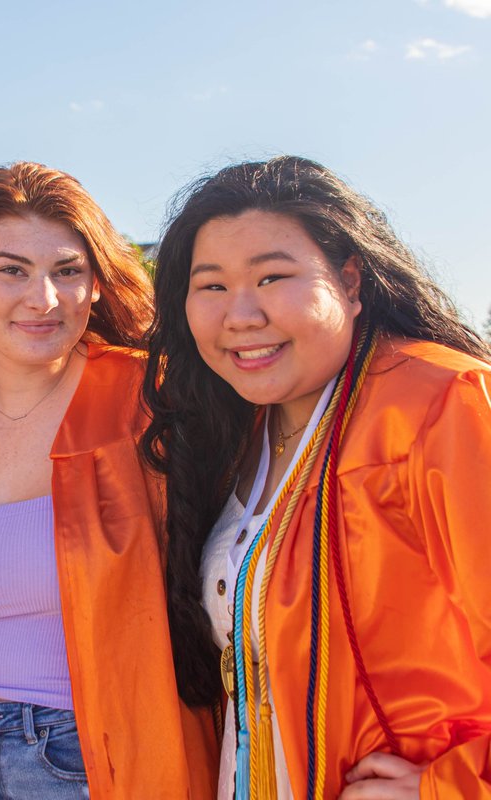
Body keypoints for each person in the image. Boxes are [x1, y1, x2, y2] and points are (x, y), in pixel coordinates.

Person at [141, 155, 491, 799]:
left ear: (351, 283)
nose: (240, 315)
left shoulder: (440, 404)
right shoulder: (238, 433)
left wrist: (453, 788)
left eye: (273, 277)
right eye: (211, 286)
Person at [0, 162, 216, 799]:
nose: (45, 299)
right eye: (12, 270)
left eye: (68, 271)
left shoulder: (155, 399)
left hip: (95, 761)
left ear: (95, 284)